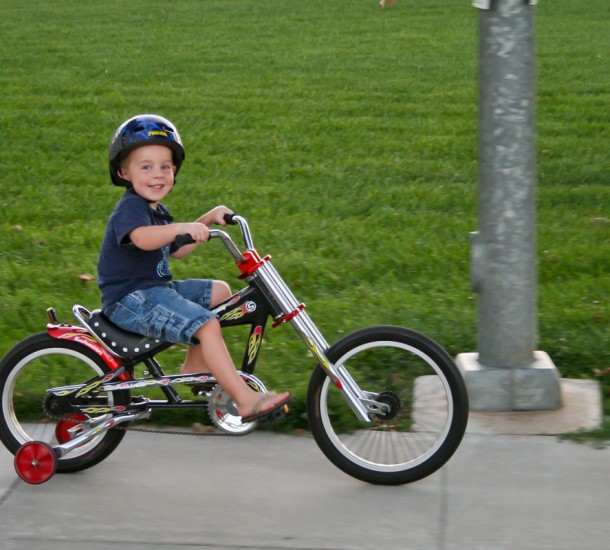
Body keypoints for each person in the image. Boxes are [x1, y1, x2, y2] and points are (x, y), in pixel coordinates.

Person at [97, 114, 291, 423]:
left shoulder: (156, 211)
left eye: (165, 166)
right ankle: (244, 400)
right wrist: (180, 228)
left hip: (152, 290)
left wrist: (209, 219)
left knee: (221, 292)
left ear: (175, 170)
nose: (157, 174)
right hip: (130, 299)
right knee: (207, 325)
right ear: (124, 172)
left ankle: (193, 369)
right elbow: (142, 239)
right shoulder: (131, 208)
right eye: (145, 167)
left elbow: (180, 249)